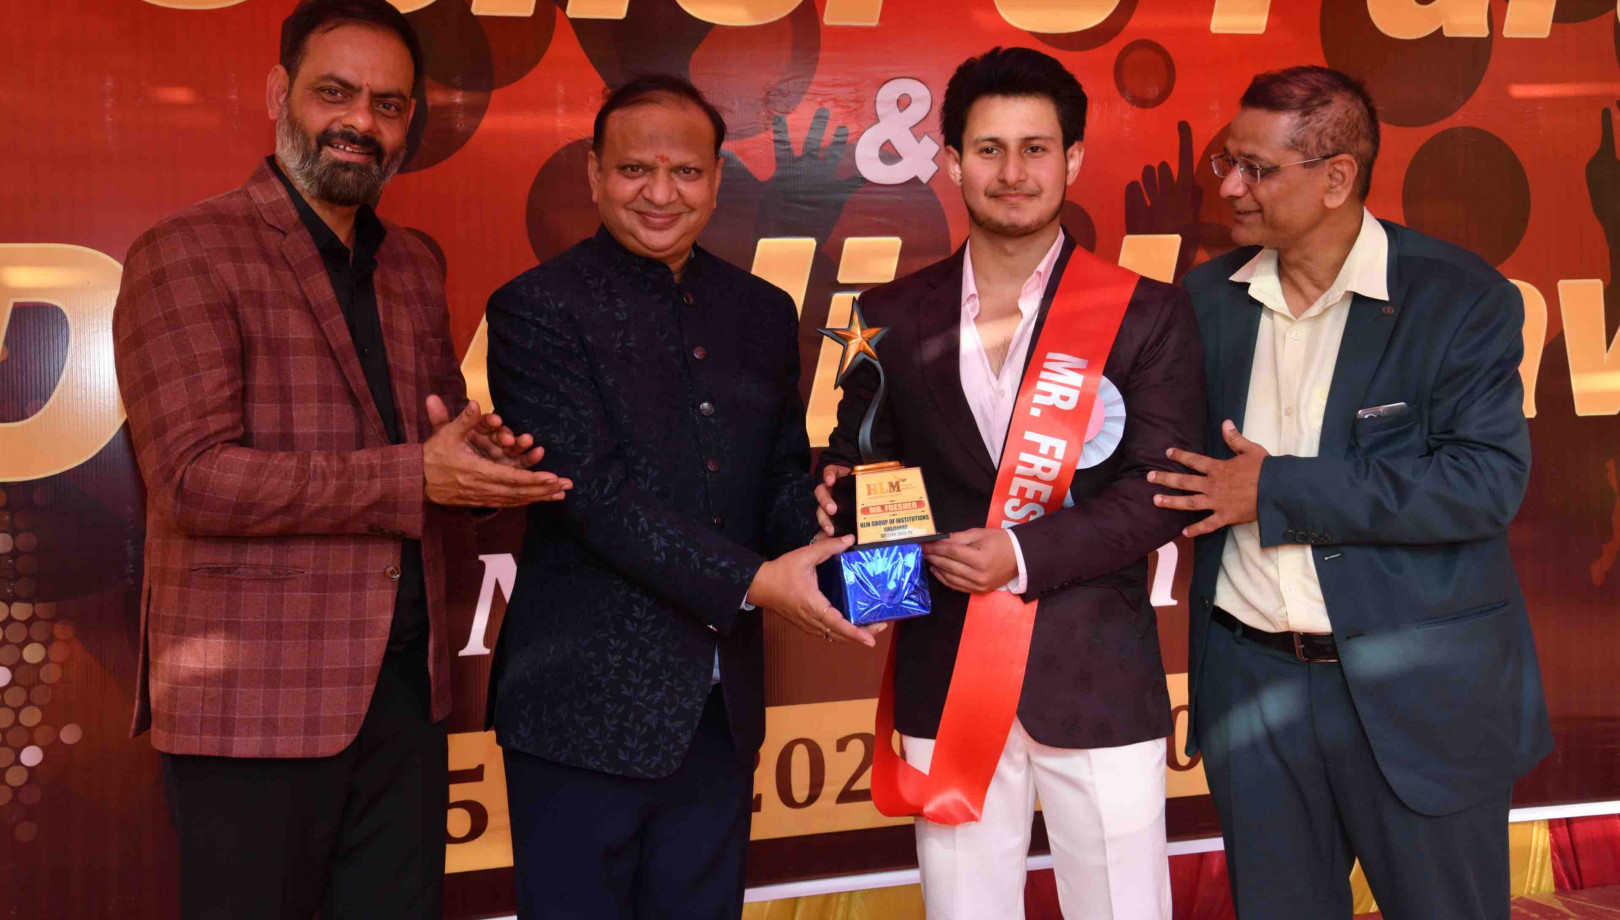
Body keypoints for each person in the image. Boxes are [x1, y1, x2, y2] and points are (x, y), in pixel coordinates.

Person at [112, 0, 569, 920]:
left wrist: (483, 465)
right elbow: (192, 477)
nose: (361, 122)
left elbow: (430, 442)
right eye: (335, 93)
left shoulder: (410, 268)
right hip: (251, 707)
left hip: (405, 699)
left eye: (388, 105)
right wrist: (417, 473)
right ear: (277, 93)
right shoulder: (185, 251)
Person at [816, 46, 1205, 920]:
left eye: (1036, 149)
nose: (1013, 172)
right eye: (989, 150)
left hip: (1095, 677)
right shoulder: (888, 314)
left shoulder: (1145, 311)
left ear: (1073, 159)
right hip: (945, 671)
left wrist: (1021, 556)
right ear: (953, 163)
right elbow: (865, 469)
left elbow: (1157, 489)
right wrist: (871, 572)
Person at [1156, 65, 1552, 920]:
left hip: (1421, 695)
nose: (1230, 187)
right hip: (1250, 688)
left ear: (1337, 177)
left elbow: (1483, 482)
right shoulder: (1204, 302)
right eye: (1228, 161)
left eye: (1257, 169)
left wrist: (1275, 488)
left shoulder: (1458, 298)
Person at [484, 74, 874, 920]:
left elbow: (776, 476)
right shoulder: (535, 311)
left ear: (717, 179)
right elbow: (592, 497)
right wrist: (758, 582)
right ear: (595, 174)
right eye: (635, 170)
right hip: (579, 714)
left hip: (719, 715)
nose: (661, 194)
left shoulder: (761, 311)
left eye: (686, 172)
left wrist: (831, 521)